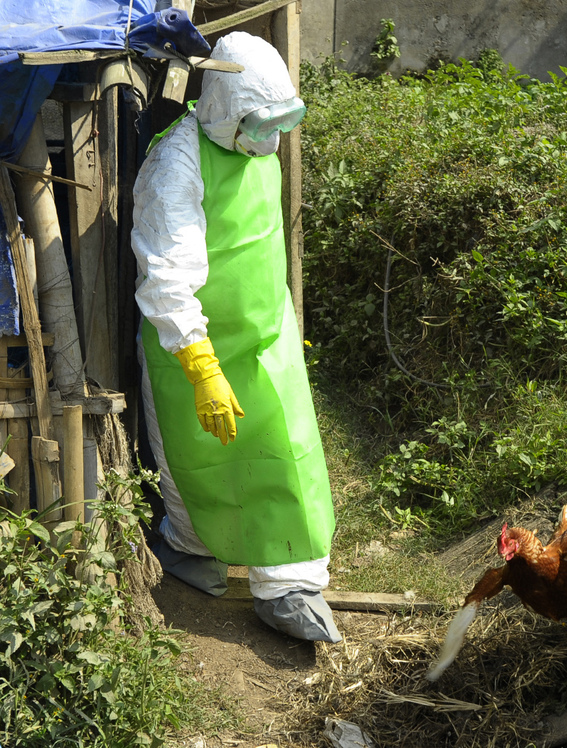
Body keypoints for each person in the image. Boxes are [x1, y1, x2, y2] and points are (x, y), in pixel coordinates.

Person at [131, 31, 340, 643]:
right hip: (193, 347)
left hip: (267, 338)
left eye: (280, 123)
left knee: (287, 451)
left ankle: (288, 585)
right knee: (197, 465)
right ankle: (193, 547)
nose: (269, 138)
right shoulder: (177, 161)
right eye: (258, 122)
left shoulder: (258, 144)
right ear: (223, 107)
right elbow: (166, 273)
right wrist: (200, 365)